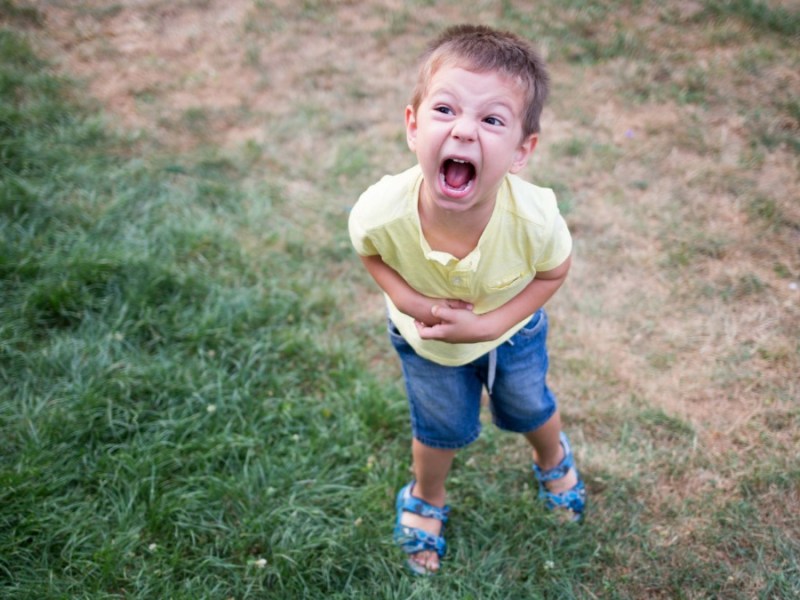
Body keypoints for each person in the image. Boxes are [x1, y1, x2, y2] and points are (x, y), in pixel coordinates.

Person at [348, 24, 586, 575]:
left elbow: (554, 272)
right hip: (425, 344)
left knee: (528, 406)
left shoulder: (535, 220)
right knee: (438, 428)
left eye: (492, 120)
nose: (463, 131)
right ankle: (428, 498)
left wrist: (490, 325)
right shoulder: (381, 209)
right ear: (412, 125)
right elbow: (371, 253)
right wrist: (407, 299)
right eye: (445, 110)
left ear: (523, 150)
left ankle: (552, 458)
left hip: (513, 337)